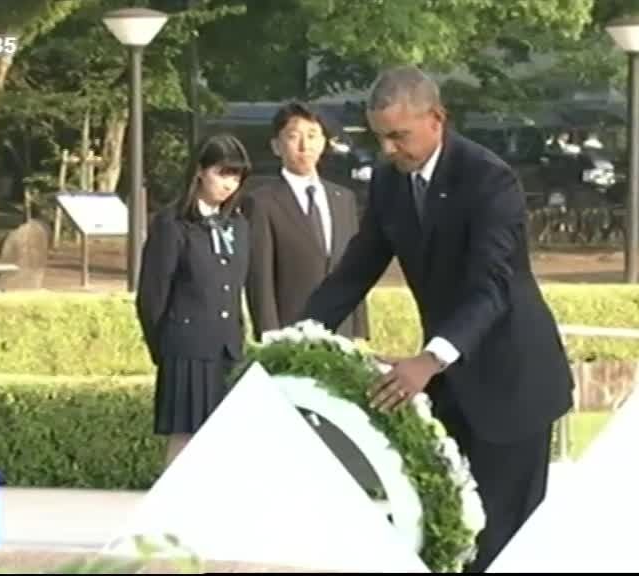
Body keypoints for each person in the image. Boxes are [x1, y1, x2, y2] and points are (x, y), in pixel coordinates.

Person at [300, 65, 575, 572]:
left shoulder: (491, 180)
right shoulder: (388, 182)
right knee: (441, 540)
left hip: (514, 387)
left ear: (437, 119)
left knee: (498, 551)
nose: (387, 150)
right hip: (451, 393)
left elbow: (490, 289)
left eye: (398, 137)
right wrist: (294, 339)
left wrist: (429, 360)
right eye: (380, 137)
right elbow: (355, 270)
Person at [135, 133, 252, 467]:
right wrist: (166, 349)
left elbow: (236, 287)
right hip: (185, 350)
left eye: (236, 176)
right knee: (185, 439)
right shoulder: (173, 224)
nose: (229, 183)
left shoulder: (238, 225)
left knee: (224, 441)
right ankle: (170, 515)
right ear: (200, 171)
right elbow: (151, 297)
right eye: (222, 172)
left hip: (227, 349)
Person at [244, 101, 369, 341]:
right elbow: (260, 278)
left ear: (323, 143)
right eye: (294, 136)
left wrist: (359, 330)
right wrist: (270, 336)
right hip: (291, 333)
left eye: (312, 136)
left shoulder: (343, 199)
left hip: (340, 331)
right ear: (276, 146)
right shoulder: (262, 202)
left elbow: (356, 267)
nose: (304, 146)